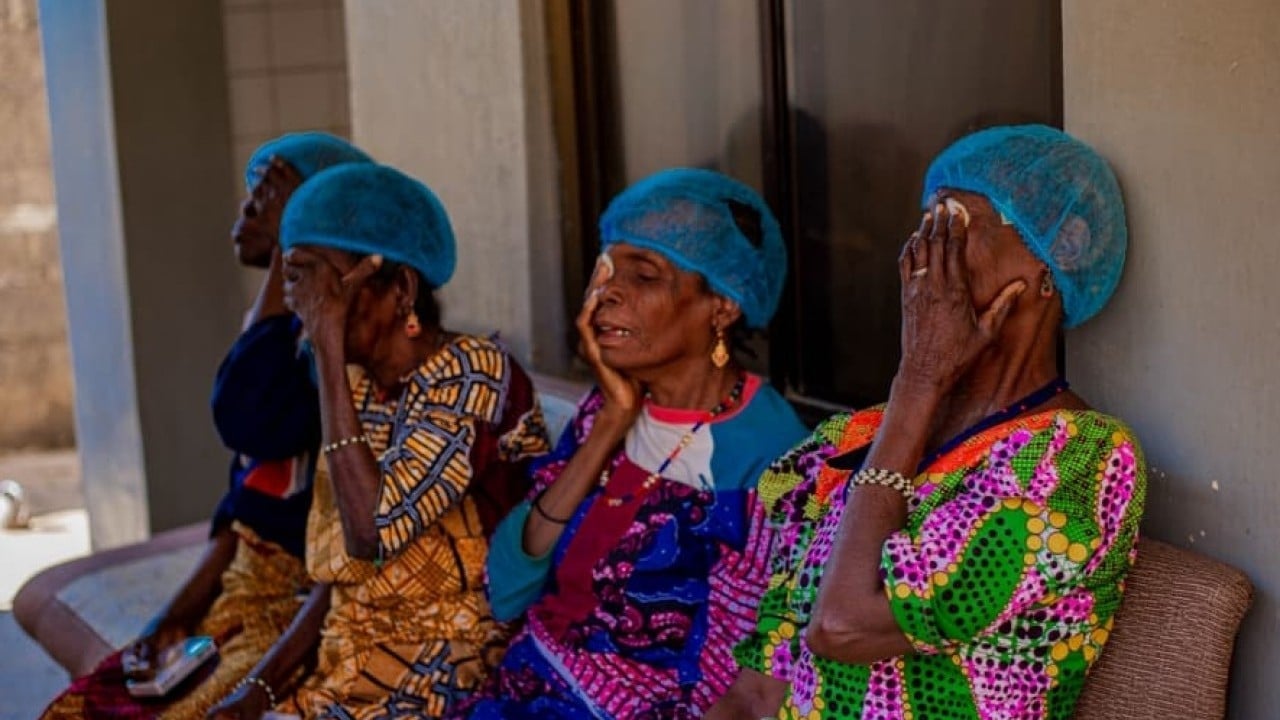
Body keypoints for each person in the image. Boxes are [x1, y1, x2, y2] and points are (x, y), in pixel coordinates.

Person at [709, 125, 1147, 719]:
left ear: (1057, 253)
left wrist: (919, 378)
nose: (921, 256)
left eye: (952, 229)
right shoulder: (856, 439)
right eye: (922, 228)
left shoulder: (1081, 460)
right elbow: (758, 690)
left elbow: (842, 625)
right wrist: (915, 395)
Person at [39, 132, 372, 720]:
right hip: (244, 591)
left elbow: (244, 413)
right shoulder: (285, 340)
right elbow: (241, 512)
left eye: (269, 193)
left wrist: (292, 240)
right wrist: (171, 617)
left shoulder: (333, 361)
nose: (247, 209)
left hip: (296, 607)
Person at [455, 168, 809, 718]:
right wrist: (609, 428)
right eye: (605, 271)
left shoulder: (776, 454)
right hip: (529, 686)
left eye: (643, 276)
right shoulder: (610, 407)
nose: (606, 294)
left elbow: (751, 680)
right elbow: (506, 588)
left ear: (722, 305)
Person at [206, 162, 550, 720]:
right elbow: (341, 578)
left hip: (453, 661)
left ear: (400, 290)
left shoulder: (471, 372)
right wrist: (257, 692)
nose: (303, 305)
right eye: (295, 280)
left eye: (318, 282)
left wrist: (330, 356)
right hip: (351, 658)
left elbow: (373, 532)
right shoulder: (359, 384)